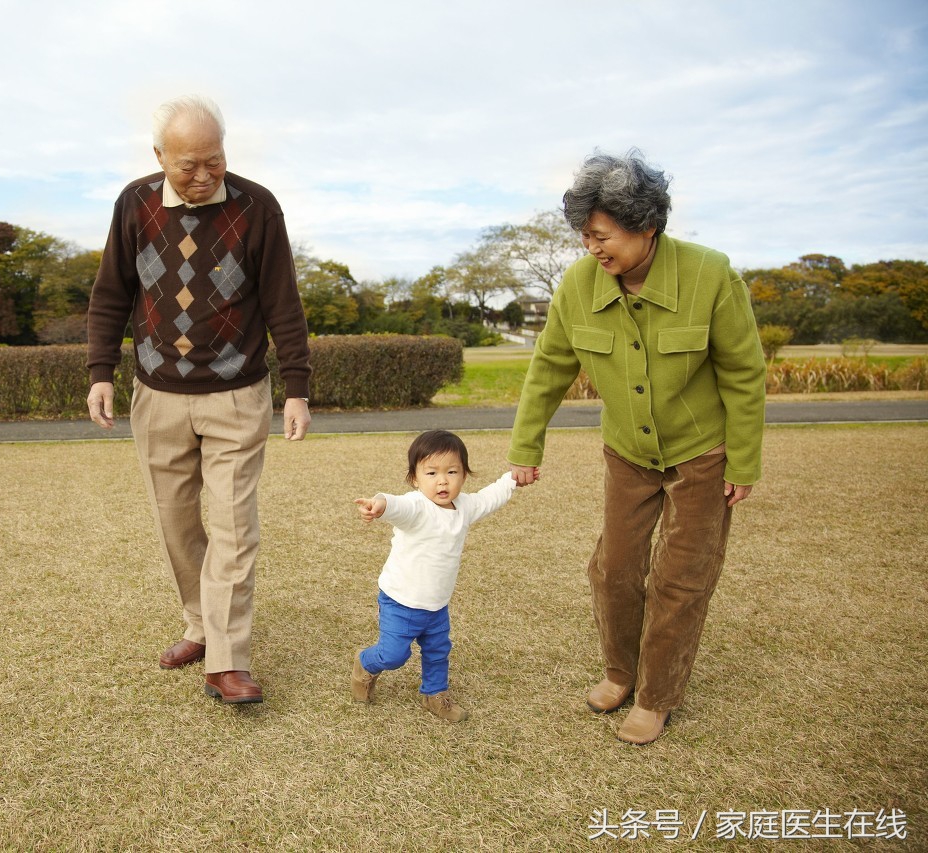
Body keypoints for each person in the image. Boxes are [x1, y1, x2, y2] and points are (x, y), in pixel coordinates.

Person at [507, 149, 766, 744]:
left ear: (646, 224)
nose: (591, 248)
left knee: (681, 578)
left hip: (702, 453)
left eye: (601, 236)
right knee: (615, 570)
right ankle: (621, 673)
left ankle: (656, 695)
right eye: (584, 236)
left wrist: (744, 460)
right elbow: (549, 368)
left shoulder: (711, 274)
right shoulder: (578, 284)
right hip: (626, 452)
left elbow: (743, 373)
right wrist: (526, 447)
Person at [86, 95, 312, 705]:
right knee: (177, 522)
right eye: (188, 165)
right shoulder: (134, 204)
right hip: (157, 395)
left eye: (215, 161)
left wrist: (297, 388)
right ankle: (200, 625)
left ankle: (227, 660)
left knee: (234, 526)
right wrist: (101, 371)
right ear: (160, 156)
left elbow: (282, 302)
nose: (204, 175)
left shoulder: (257, 207)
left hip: (237, 394)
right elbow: (112, 292)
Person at [352, 430, 522, 722]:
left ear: (464, 475)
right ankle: (365, 663)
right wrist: (379, 504)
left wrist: (513, 479)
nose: (442, 481)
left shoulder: (465, 506)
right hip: (400, 601)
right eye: (431, 473)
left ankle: (434, 694)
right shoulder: (417, 507)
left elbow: (490, 497)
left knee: (438, 651)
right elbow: (396, 504)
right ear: (415, 479)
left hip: (437, 605)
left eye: (452, 472)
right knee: (393, 655)